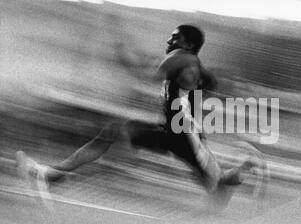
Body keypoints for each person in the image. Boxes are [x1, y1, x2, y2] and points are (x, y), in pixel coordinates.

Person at [16, 24, 268, 208]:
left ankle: (53, 176)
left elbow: (144, 73)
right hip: (178, 133)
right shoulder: (191, 64)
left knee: (116, 138)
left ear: (189, 44)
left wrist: (120, 48)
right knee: (216, 188)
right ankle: (52, 176)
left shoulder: (182, 58)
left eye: (175, 38)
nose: (169, 42)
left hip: (184, 134)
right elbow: (210, 83)